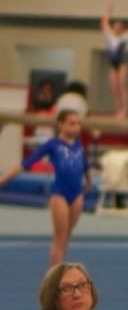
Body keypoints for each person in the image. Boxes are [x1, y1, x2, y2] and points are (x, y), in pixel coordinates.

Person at [0, 110, 89, 266]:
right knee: (60, 237)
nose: (76, 127)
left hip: (77, 194)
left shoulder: (79, 145)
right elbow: (27, 163)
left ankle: (60, 270)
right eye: (72, 123)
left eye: (78, 124)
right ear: (61, 124)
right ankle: (54, 276)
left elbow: (85, 166)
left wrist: (88, 181)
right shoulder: (53, 144)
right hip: (60, 194)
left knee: (67, 236)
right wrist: (3, 179)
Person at [101, 4, 128, 118]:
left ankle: (124, 111)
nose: (116, 28)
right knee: (115, 89)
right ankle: (118, 111)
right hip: (112, 65)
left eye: (118, 27)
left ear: (121, 29)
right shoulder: (110, 36)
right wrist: (109, 11)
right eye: (115, 26)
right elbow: (104, 22)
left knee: (122, 87)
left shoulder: (124, 37)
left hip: (121, 64)